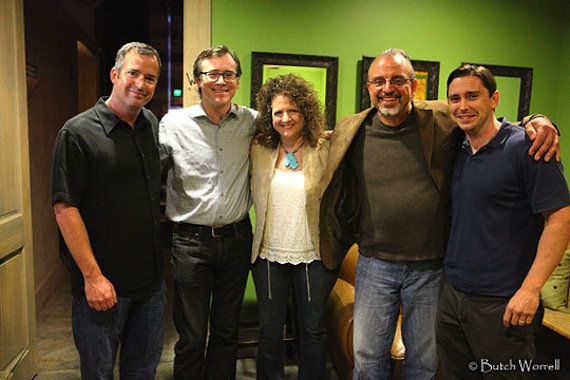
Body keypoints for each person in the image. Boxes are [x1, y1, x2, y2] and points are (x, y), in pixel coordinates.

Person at [318, 48, 560, 380]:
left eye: (398, 80)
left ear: (413, 86)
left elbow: (488, 121)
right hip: (374, 264)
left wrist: (539, 121)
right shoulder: (352, 129)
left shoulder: (442, 118)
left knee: (425, 362)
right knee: (368, 359)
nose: (388, 88)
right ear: (369, 87)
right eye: (379, 81)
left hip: (431, 269)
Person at [437, 64, 570, 379]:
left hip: (504, 303)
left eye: (473, 96)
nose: (463, 106)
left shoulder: (529, 146)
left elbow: (560, 220)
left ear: (494, 99)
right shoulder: (454, 149)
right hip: (452, 296)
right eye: (455, 99)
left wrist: (530, 289)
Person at [52, 42, 165, 379]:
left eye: (150, 78)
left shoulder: (150, 125)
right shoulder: (77, 133)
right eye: (133, 73)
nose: (140, 84)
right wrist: (92, 277)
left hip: (151, 286)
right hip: (103, 287)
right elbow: (64, 207)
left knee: (143, 371)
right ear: (115, 75)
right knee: (98, 372)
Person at [159, 45, 257, 379]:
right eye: (211, 74)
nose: (220, 81)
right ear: (197, 81)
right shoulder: (173, 124)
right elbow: (146, 174)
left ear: (238, 81)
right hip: (190, 243)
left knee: (227, 332)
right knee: (191, 336)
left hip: (237, 239)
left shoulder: (253, 122)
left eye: (228, 74)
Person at [251, 74, 338, 379]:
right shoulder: (259, 150)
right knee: (270, 331)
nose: (285, 118)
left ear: (306, 113)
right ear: (269, 116)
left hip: (313, 256)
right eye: (278, 112)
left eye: (293, 111)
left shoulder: (324, 148)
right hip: (267, 257)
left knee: (312, 330)